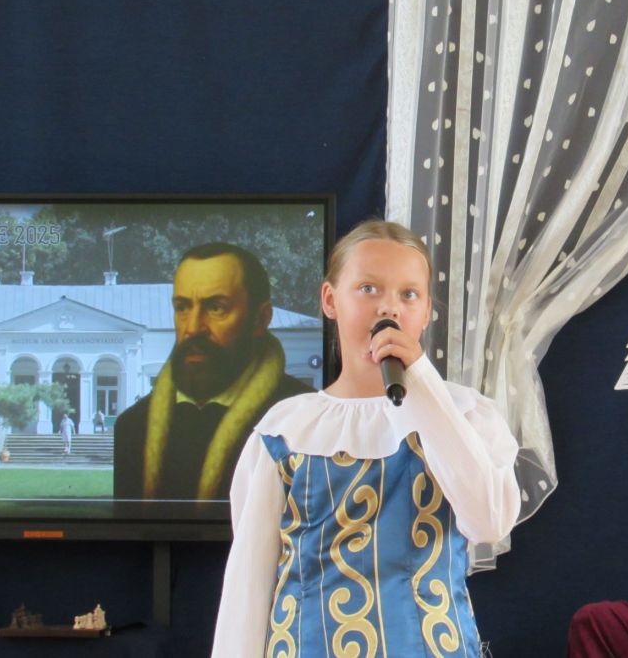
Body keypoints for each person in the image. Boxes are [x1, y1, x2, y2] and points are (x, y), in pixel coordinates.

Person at [211, 220, 520, 658]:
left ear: (426, 311)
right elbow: (249, 584)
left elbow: (490, 521)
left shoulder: (465, 414)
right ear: (330, 300)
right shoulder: (286, 431)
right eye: (368, 289)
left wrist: (424, 387)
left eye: (408, 294)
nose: (388, 308)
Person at [113, 243, 314, 502]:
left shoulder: (305, 420)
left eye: (216, 308)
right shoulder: (133, 427)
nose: (193, 328)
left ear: (261, 318)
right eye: (182, 307)